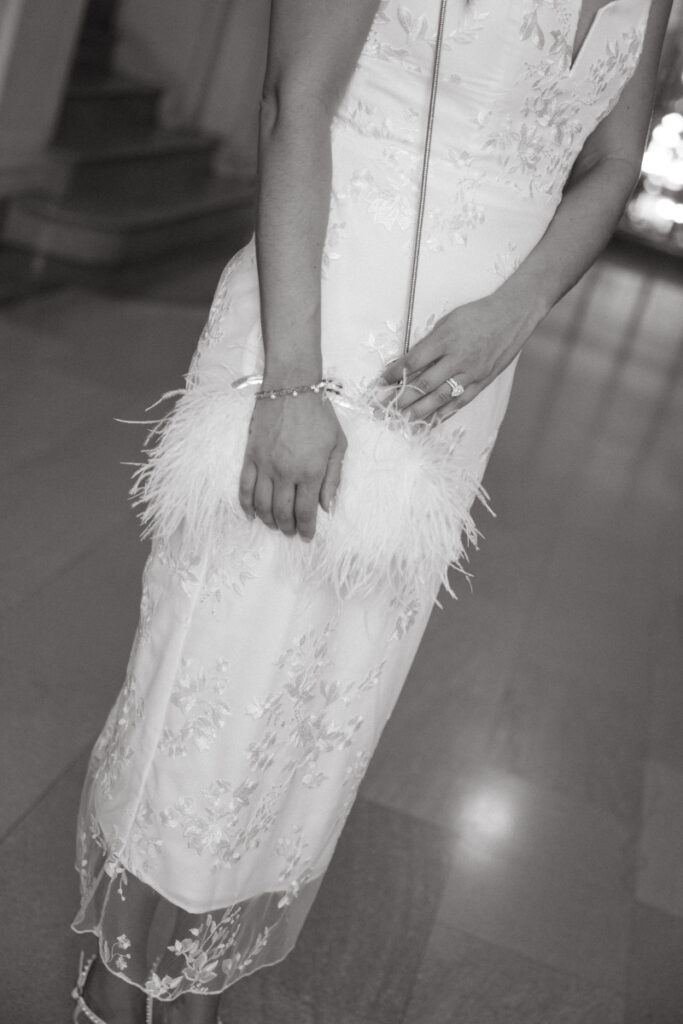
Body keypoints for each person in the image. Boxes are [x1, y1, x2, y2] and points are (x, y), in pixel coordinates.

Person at [70, 1, 672, 1022]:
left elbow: (615, 162)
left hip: (459, 375)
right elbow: (293, 102)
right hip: (319, 324)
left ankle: (195, 976)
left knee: (330, 691)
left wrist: (516, 309)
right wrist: (290, 383)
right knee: (223, 661)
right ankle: (122, 984)